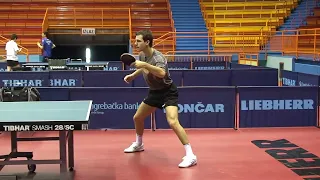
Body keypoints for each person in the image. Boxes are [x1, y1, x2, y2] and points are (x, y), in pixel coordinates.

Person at [123, 30, 197, 168]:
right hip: (154, 93)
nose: (135, 43)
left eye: (138, 41)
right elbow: (143, 67)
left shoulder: (158, 58)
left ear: (147, 42)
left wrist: (144, 65)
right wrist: (133, 75)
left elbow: (161, 73)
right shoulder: (142, 55)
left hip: (168, 92)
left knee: (173, 121)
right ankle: (139, 144)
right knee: (137, 118)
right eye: (135, 40)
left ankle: (190, 155)